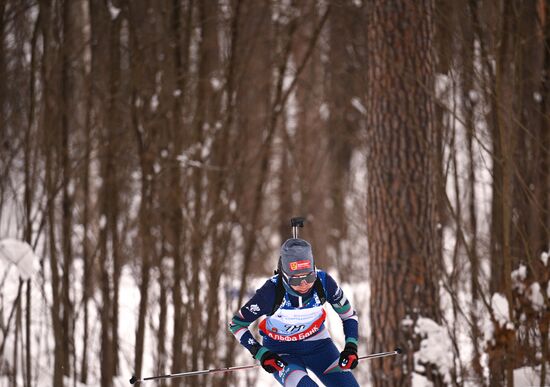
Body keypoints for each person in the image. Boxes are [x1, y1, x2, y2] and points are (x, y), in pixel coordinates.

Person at [229, 238, 360, 386]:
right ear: (284, 276)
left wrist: (351, 346)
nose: (304, 285)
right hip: (281, 352)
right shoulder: (270, 292)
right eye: (296, 280)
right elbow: (236, 324)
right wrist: (261, 353)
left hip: (319, 346)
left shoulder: (324, 282)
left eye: (310, 277)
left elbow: (348, 315)